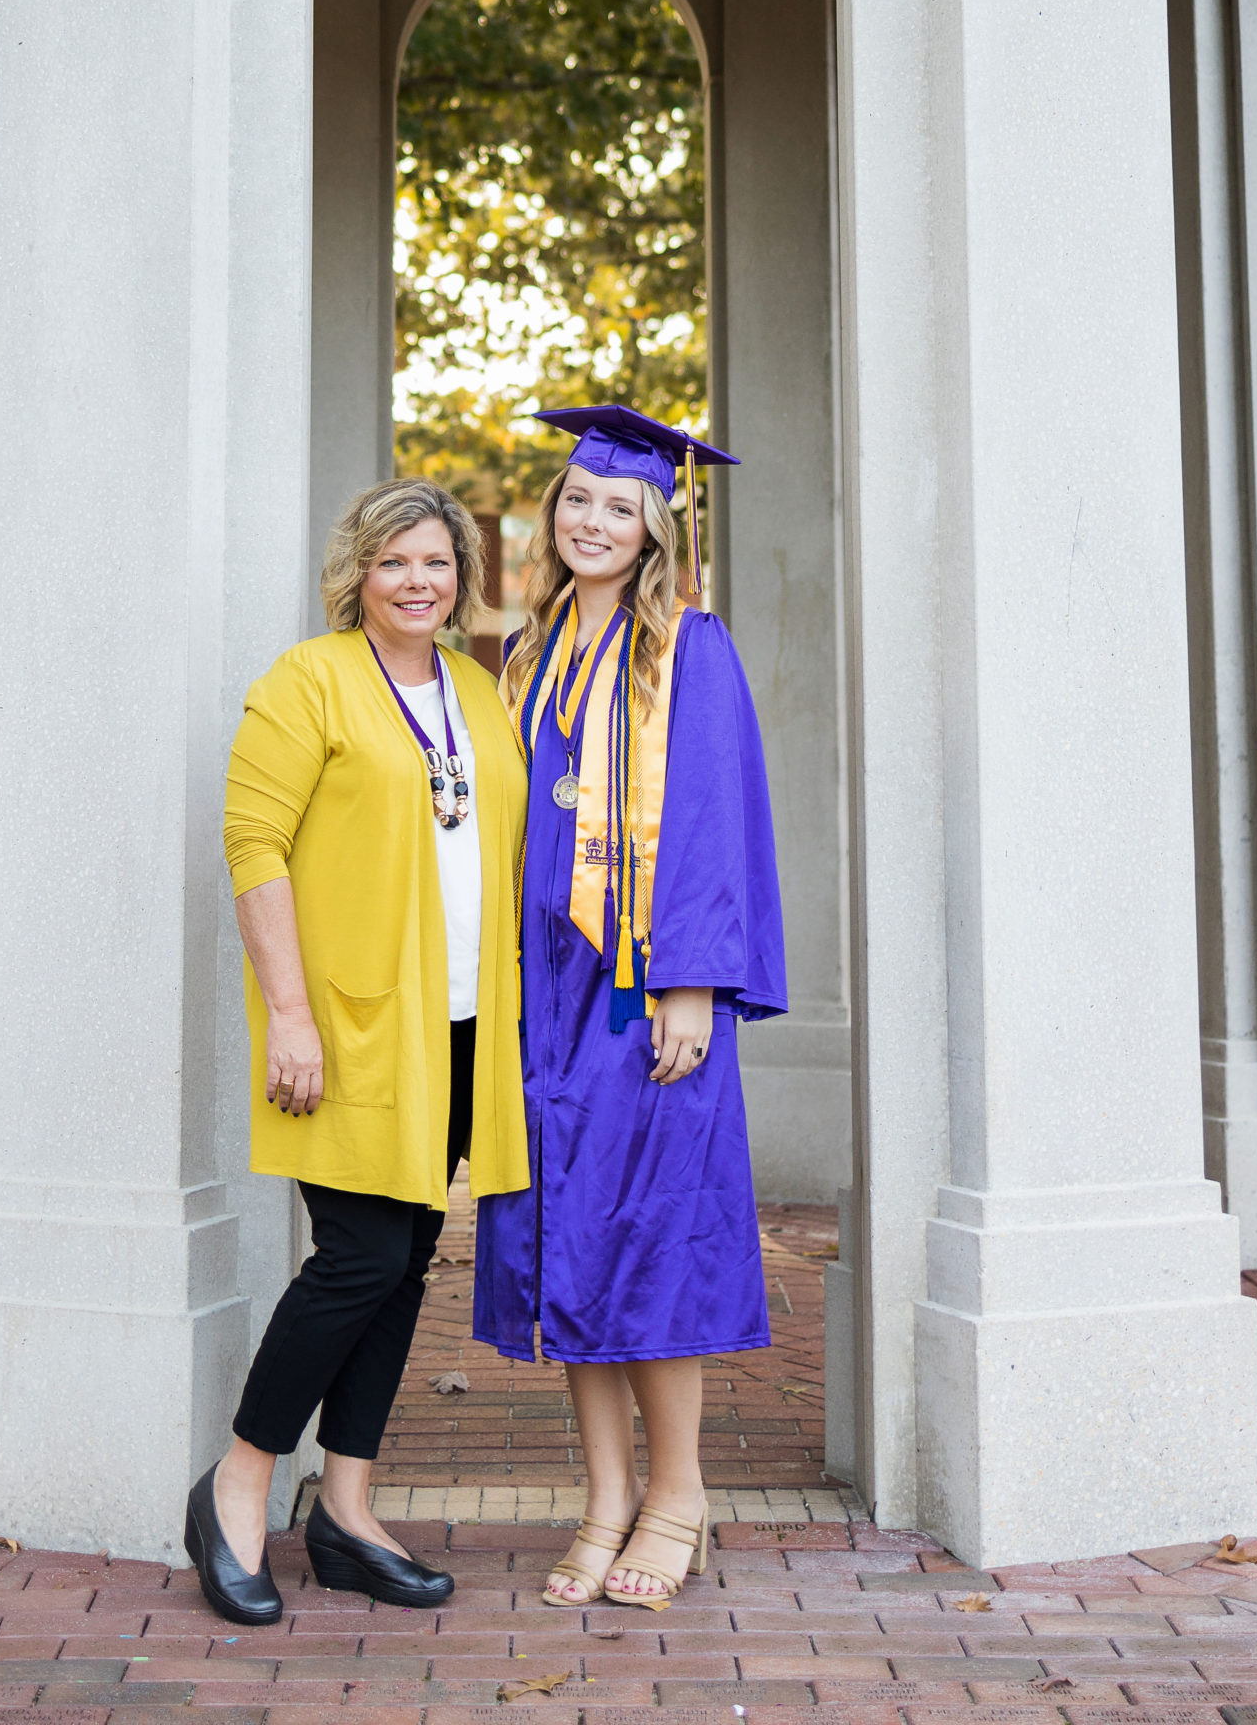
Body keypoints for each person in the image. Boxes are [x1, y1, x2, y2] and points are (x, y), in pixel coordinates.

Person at [186, 479, 530, 1626]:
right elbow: (253, 841)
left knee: (409, 1251)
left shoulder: (480, 692)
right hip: (347, 1022)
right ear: (357, 574)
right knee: (360, 1252)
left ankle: (347, 1508)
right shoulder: (309, 679)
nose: (417, 581)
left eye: (436, 562)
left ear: (461, 577)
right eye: (394, 563)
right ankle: (238, 1482)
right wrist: (289, 1012)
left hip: (462, 1026)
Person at [474, 405, 786, 1611]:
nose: (593, 520)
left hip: (641, 989)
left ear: (656, 527)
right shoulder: (529, 651)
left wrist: (692, 983)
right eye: (577, 501)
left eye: (620, 506)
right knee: (570, 1242)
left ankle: (680, 1495)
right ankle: (604, 1498)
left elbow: (712, 820)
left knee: (652, 1242)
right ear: (553, 516)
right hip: (539, 996)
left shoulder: (689, 648)